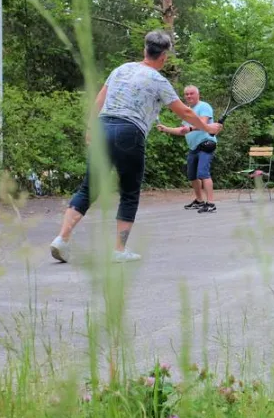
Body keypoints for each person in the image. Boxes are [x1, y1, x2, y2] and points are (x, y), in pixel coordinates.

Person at [49, 31, 223, 264]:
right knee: (129, 192)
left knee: (88, 189)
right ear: (164, 57)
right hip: (129, 132)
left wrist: (90, 128)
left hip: (102, 127)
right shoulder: (159, 81)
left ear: (145, 51)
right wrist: (207, 128)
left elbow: (99, 100)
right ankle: (119, 250)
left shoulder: (121, 69)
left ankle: (62, 239)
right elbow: (185, 112)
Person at [157, 85, 218, 213]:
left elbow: (203, 123)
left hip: (206, 143)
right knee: (192, 175)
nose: (189, 96)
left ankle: (211, 203)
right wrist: (166, 129)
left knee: (203, 173)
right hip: (193, 147)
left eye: (191, 93)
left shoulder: (204, 106)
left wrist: (190, 128)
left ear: (198, 94)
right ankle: (199, 201)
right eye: (186, 94)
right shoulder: (187, 111)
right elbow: (182, 130)